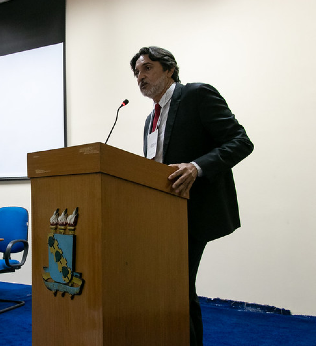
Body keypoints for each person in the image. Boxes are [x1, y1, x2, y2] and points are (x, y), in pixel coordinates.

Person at [130, 46, 254, 346]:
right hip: (159, 214)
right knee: (169, 288)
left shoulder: (197, 95)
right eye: (136, 72)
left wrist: (197, 167)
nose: (140, 77)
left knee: (178, 287)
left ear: (169, 69)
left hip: (192, 210)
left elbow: (241, 141)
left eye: (147, 68)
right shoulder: (150, 119)